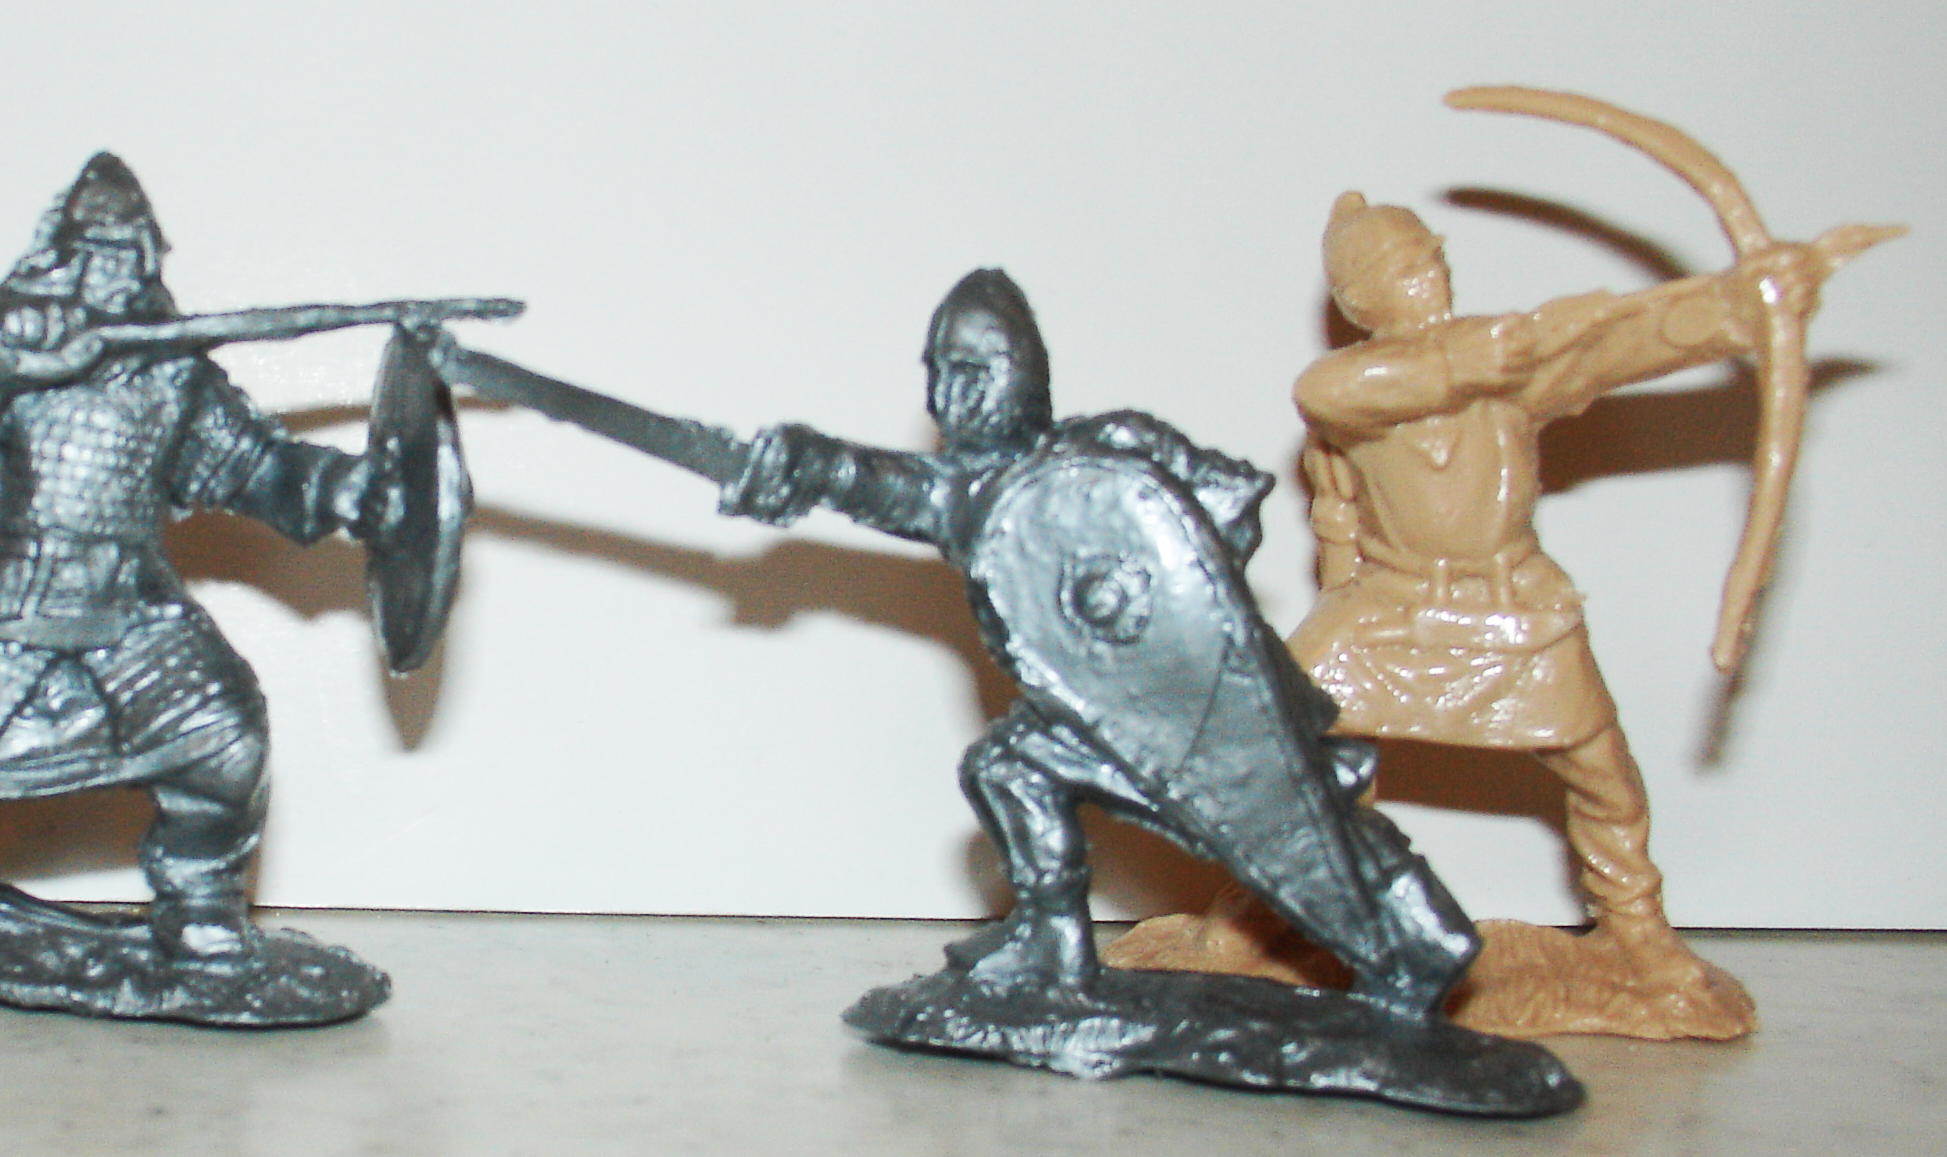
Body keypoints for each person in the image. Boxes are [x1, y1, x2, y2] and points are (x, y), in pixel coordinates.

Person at [721, 268, 1478, 1018]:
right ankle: (1053, 940)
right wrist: (808, 465)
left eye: (974, 372)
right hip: (1106, 710)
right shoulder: (973, 495)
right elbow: (888, 485)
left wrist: (1156, 583)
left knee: (1295, 819)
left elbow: (1228, 504)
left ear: (1023, 375)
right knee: (1011, 767)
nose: (951, 397)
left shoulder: (1110, 448)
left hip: (1192, 698)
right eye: (939, 373)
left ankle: (1424, 941)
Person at [0, 154, 385, 967]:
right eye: (97, 253)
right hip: (17, 608)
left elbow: (250, 464)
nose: (115, 272)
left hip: (138, 612)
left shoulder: (170, 372)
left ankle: (202, 909)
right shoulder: (10, 348)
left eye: (131, 254)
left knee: (224, 746)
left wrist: (345, 488)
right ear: (61, 257)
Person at [1269, 191, 1807, 1023]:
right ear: (1360, 298)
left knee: (1605, 780)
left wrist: (1739, 308)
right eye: (1404, 268)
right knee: (1289, 735)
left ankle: (1637, 932)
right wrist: (1469, 363)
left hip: (1515, 606)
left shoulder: (1513, 375)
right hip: (1387, 609)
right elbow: (1330, 391)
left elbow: (1624, 344)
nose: (1430, 275)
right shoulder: (1368, 385)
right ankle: (1318, 912)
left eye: (1432, 257)